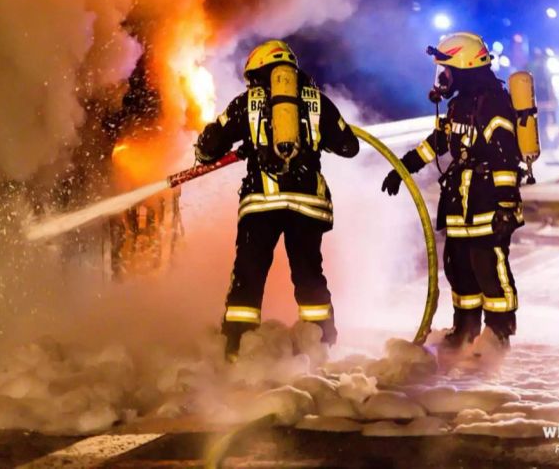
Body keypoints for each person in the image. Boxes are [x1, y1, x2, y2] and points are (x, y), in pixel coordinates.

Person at [195, 40, 359, 360]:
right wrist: (315, 139)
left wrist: (234, 145)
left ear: (257, 70)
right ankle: (321, 342)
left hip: (261, 205)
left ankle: (237, 345)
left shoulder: (248, 101)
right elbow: (349, 146)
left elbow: (210, 147)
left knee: (250, 272)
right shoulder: (317, 101)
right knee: (309, 272)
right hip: (308, 204)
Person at [382, 32, 523, 351]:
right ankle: (466, 329)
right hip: (461, 202)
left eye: (447, 70)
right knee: (458, 267)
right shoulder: (460, 105)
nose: (443, 77)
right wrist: (403, 169)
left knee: (488, 265)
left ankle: (498, 333)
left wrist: (505, 204)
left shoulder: (494, 104)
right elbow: (439, 142)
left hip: (488, 202)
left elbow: (505, 157)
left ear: (464, 66)